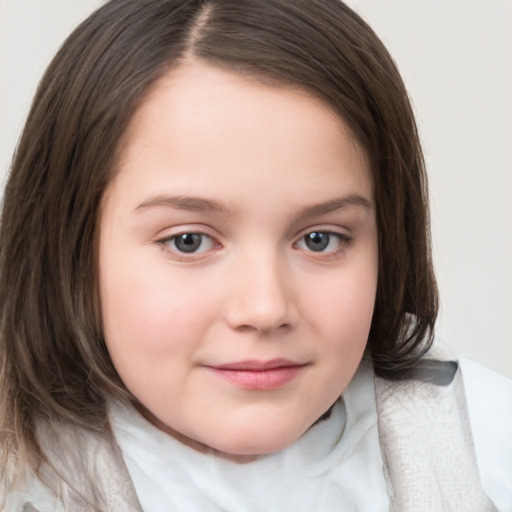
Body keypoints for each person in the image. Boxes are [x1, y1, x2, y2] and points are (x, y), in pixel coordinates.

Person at [0, 1, 510, 511]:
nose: (265, 309)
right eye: (189, 241)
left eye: (319, 239)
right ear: (71, 249)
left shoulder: (483, 447)